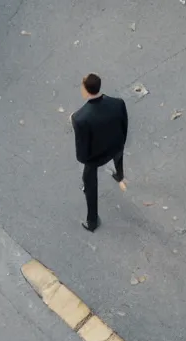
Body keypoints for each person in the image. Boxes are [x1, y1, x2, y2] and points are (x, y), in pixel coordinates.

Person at [71, 73, 128, 232]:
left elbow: (81, 153)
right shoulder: (118, 103)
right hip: (116, 146)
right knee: (118, 159)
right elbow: (124, 126)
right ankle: (119, 174)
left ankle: (92, 220)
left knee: (89, 182)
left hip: (95, 158)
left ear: (86, 90)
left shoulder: (79, 118)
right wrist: (120, 143)